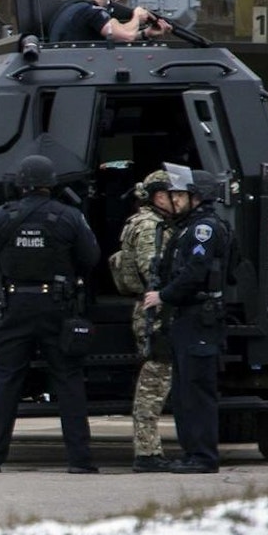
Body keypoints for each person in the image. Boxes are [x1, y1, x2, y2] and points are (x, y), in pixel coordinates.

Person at [0, 154, 103, 473]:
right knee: (69, 382)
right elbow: (92, 257)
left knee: (6, 381)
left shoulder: (0, 216)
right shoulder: (69, 216)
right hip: (57, 307)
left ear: (19, 184)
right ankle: (80, 461)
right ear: (51, 184)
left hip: (14, 305)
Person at [144, 170, 230, 474]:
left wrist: (163, 296)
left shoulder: (203, 229)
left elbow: (194, 272)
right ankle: (192, 453)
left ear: (198, 197)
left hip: (198, 316)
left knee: (196, 390)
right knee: (184, 391)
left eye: (181, 196)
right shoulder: (189, 228)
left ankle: (203, 456)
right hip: (187, 317)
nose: (175, 201)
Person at [109, 174, 178, 472]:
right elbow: (154, 270)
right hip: (155, 310)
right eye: (169, 194)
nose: (175, 199)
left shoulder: (151, 222)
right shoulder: (151, 226)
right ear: (155, 196)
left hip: (156, 307)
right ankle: (147, 453)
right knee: (154, 380)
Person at [48, 0, 168, 43]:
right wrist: (137, 16)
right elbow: (126, 36)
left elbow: (116, 34)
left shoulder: (73, 7)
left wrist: (144, 34)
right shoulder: (95, 12)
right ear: (117, 0)